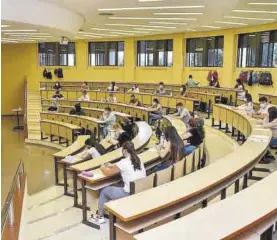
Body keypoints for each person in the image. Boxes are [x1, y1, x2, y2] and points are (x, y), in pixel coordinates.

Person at [90, 141, 146, 224]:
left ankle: (100, 216)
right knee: (117, 184)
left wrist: (102, 168)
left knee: (104, 191)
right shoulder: (138, 159)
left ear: (125, 151)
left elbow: (108, 173)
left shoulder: (124, 162)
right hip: (140, 190)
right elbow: (124, 165)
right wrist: (114, 165)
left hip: (129, 193)